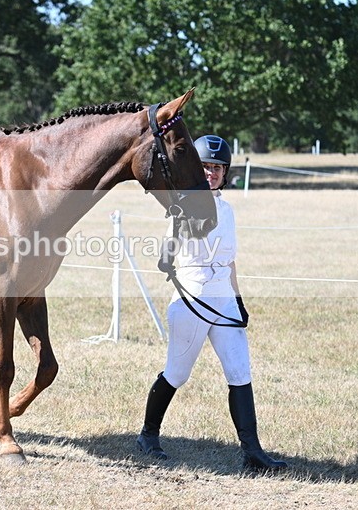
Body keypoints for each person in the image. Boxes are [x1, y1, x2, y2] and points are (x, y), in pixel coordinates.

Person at [136, 135, 287, 472]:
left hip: (223, 298)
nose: (211, 172)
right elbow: (165, 256)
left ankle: (253, 453)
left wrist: (238, 300)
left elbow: (230, 262)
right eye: (205, 166)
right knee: (177, 373)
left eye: (217, 167)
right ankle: (148, 435)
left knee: (240, 372)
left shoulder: (228, 210)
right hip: (192, 295)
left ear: (225, 171)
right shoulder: (182, 203)